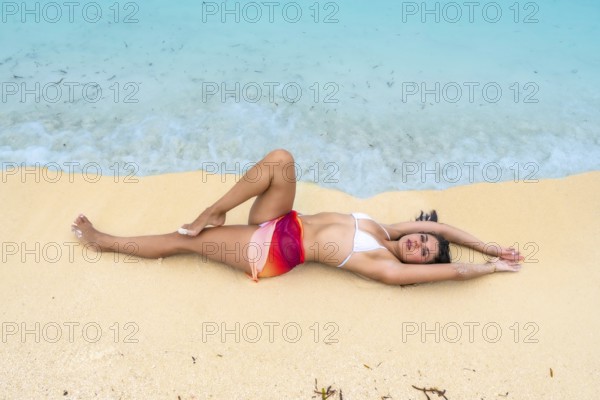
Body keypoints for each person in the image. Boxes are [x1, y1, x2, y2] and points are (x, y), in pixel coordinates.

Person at [71, 149, 523, 285]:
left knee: (183, 242)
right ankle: (215, 210)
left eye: (425, 253)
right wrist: (490, 243)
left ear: (419, 265)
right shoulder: (388, 229)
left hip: (273, 250)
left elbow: (457, 271)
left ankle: (104, 241)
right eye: (424, 240)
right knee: (281, 160)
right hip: (283, 219)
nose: (419, 244)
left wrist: (489, 266)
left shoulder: (385, 268)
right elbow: (442, 228)